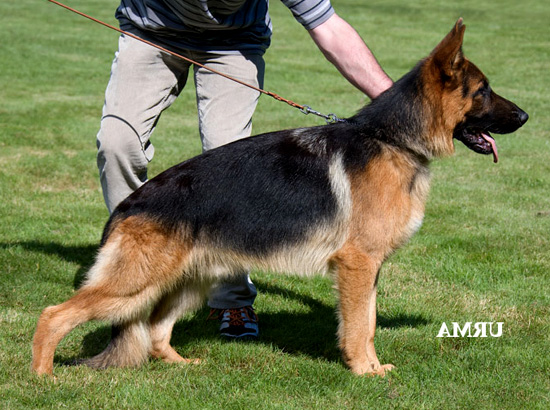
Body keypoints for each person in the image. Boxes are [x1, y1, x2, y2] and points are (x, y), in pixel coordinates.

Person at [96, 0, 393, 341]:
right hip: (151, 31)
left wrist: (396, 106)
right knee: (116, 145)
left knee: (231, 164)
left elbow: (328, 27)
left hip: (233, 42)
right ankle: (134, 277)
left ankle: (232, 299)